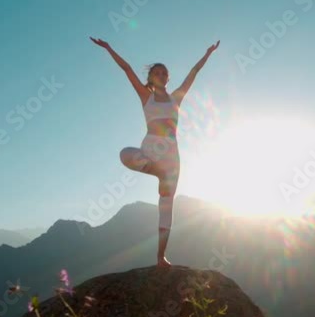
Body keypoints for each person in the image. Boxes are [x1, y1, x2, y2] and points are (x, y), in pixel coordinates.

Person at [90, 37, 220, 267]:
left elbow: (193, 72)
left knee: (167, 206)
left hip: (171, 155)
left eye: (164, 72)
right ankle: (157, 172)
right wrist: (109, 48)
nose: (160, 74)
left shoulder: (176, 98)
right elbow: (127, 69)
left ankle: (161, 257)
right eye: (156, 72)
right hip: (149, 151)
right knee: (124, 154)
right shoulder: (145, 96)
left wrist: (208, 53)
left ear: (168, 78)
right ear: (150, 79)